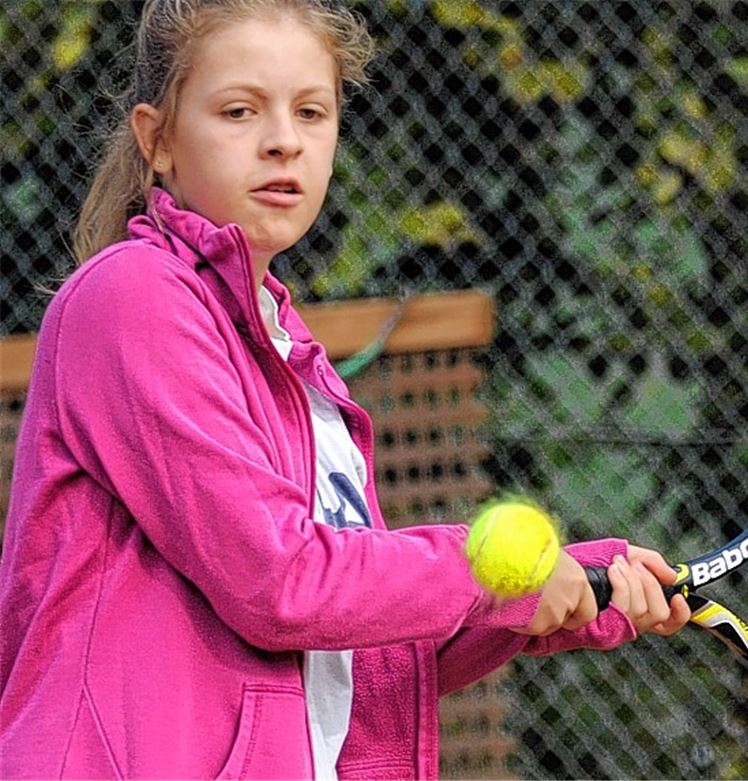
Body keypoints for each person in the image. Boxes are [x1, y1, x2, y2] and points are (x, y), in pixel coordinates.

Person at [0, 1, 690, 778]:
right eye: (238, 111)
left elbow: (351, 660)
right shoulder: (133, 297)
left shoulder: (294, 357)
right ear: (156, 140)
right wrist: (491, 571)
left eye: (311, 112)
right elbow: (278, 579)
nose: (282, 140)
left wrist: (558, 592)